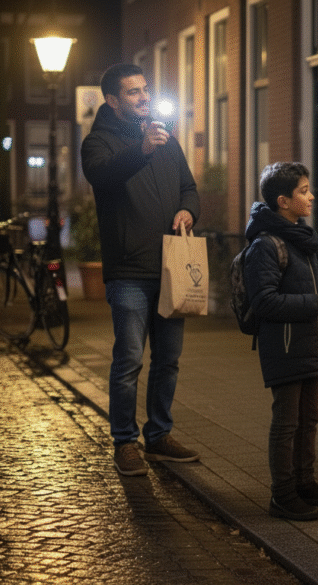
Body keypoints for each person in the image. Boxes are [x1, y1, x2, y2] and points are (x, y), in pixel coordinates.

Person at [81, 63, 201, 476]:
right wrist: (142, 150)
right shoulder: (98, 142)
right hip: (129, 270)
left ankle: (159, 436)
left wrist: (188, 210)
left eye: (145, 89)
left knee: (168, 359)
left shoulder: (166, 139)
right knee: (129, 359)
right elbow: (102, 175)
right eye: (133, 92)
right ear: (113, 101)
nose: (144, 97)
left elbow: (188, 187)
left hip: (170, 266)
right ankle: (125, 442)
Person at [243, 162, 318, 521]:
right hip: (284, 346)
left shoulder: (302, 239)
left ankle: (305, 482)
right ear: (283, 201)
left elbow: (311, 287)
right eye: (303, 191)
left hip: (309, 342)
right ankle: (282, 495)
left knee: (308, 418)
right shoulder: (265, 245)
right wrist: (315, 302)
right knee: (287, 422)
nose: (311, 196)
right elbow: (264, 302)